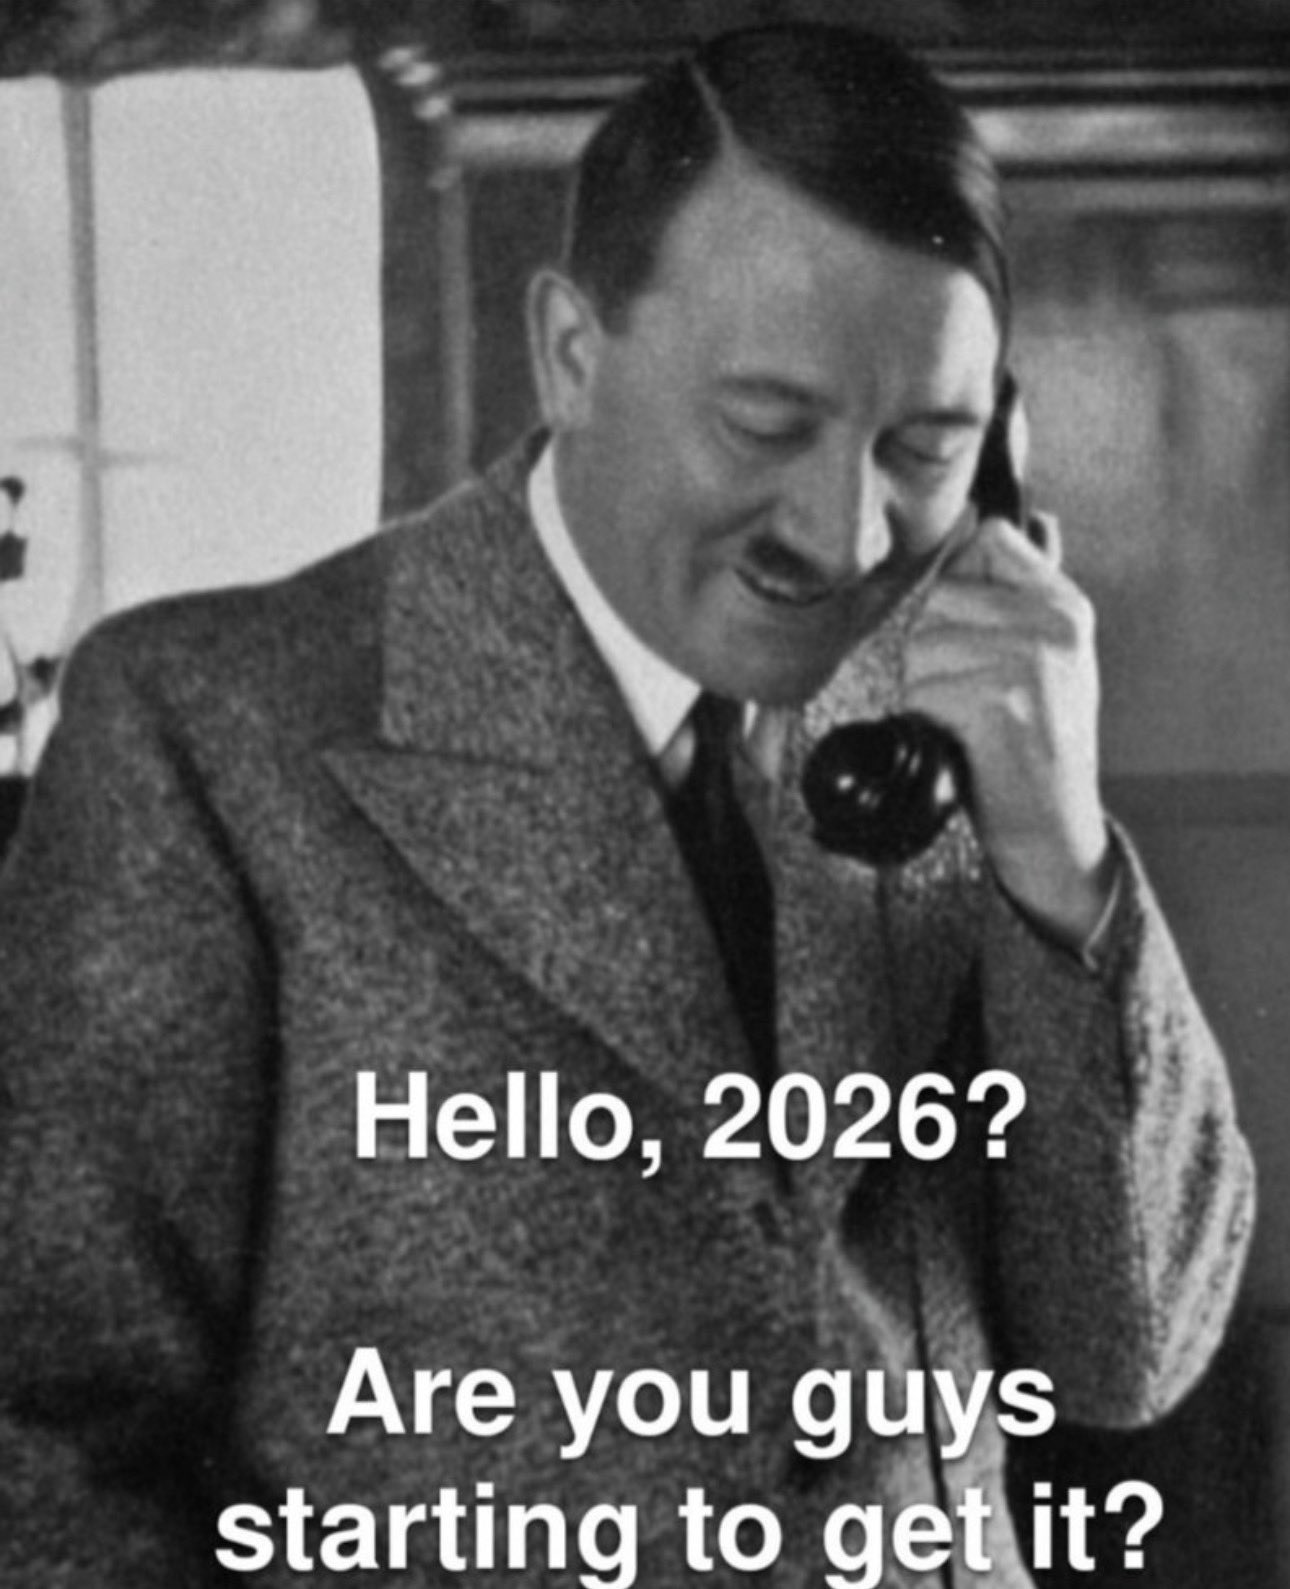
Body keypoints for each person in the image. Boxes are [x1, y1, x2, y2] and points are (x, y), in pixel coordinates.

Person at [0, 22, 1254, 1588]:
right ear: (571, 355)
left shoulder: (951, 715)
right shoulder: (210, 730)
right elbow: (43, 1440)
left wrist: (1060, 872)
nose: (843, 534)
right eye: (763, 426)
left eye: (923, 447)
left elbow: (1128, 1353)